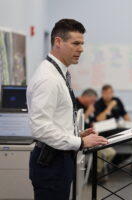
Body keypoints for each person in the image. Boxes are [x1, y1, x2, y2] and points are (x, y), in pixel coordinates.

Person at [26, 19, 108, 200]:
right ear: (58, 42)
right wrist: (80, 143)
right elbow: (39, 127)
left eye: (82, 44)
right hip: (51, 161)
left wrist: (76, 136)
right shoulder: (49, 78)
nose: (81, 49)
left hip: (59, 158)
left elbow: (55, 119)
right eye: (75, 43)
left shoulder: (59, 72)